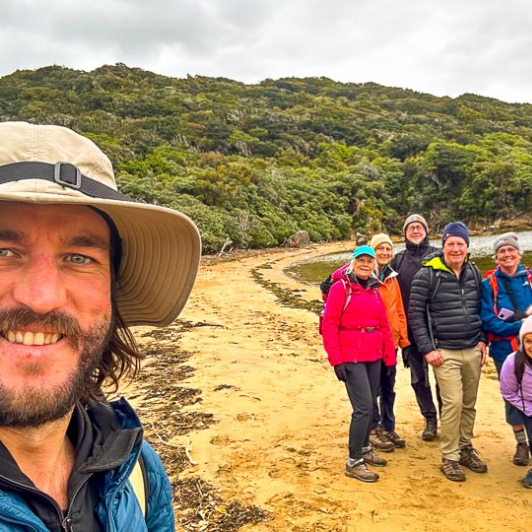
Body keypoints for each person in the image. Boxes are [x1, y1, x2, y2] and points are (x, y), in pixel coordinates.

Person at [0, 122, 201, 530]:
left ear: (112, 292)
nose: (41, 298)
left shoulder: (136, 469)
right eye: (3, 251)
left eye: (78, 257)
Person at [409, 222, 488, 482]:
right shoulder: (427, 274)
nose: (455, 249)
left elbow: (481, 309)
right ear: (443, 246)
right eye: (450, 244)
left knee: (469, 403)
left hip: (472, 348)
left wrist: (483, 340)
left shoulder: (474, 272)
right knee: (453, 403)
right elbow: (416, 315)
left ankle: (465, 448)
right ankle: (450, 457)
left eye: (460, 244)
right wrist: (428, 349)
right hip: (445, 351)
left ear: (467, 247)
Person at [321, 245, 395, 483]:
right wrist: (336, 360)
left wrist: (389, 359)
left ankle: (364, 449)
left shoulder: (374, 290)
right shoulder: (341, 288)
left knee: (370, 405)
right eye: (361, 260)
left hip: (373, 354)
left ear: (374, 265)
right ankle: (353, 461)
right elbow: (329, 325)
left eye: (369, 261)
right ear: (352, 263)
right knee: (362, 408)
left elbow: (383, 325)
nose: (365, 264)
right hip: (350, 355)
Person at [481, 232, 532, 467]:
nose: (507, 254)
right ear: (496, 257)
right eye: (502, 251)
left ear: (519, 253)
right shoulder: (488, 284)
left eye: (511, 250)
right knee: (512, 397)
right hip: (506, 352)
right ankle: (521, 443)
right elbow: (488, 321)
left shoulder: (530, 278)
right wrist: (520, 325)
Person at [391, 214, 440, 441]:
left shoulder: (438, 255)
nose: (416, 230)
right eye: (411, 227)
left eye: (419, 226)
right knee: (418, 379)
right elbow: (371, 271)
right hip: (410, 330)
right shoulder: (397, 260)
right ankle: (429, 418)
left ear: (426, 231)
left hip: (439, 329)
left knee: (444, 378)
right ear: (405, 233)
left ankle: (447, 419)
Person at [368, 233, 410, 451]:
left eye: (388, 249)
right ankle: (374, 429)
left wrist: (403, 341)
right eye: (380, 249)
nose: (384, 253)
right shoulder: (364, 276)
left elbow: (400, 311)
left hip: (390, 344)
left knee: (388, 386)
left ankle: (388, 426)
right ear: (372, 251)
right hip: (371, 343)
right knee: (372, 388)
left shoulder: (392, 277)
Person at [500, 315, 532, 489]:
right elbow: (507, 391)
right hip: (526, 407)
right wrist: (527, 409)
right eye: (528, 341)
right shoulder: (513, 362)